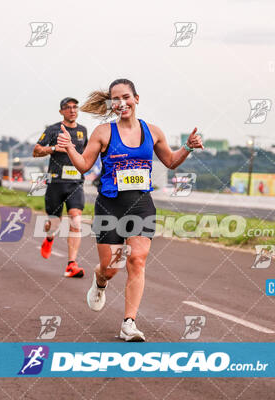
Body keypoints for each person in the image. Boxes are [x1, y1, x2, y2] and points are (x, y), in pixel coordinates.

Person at [57, 78, 203, 341]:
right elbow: (83, 166)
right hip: (110, 206)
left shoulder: (153, 131)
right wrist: (69, 147)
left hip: (141, 205)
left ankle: (129, 323)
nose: (121, 102)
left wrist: (188, 147)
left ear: (136, 98)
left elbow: (170, 161)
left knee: (137, 260)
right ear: (111, 104)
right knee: (111, 268)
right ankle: (100, 281)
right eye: (116, 98)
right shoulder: (103, 132)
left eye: (126, 97)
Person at [33, 97, 88, 278]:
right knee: (54, 224)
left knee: (76, 220)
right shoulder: (53, 129)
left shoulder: (83, 131)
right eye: (68, 108)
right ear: (61, 111)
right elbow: (36, 151)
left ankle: (71, 264)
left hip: (75, 184)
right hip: (56, 183)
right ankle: (49, 237)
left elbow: (87, 155)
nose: (72, 110)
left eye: (75, 107)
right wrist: (55, 148)